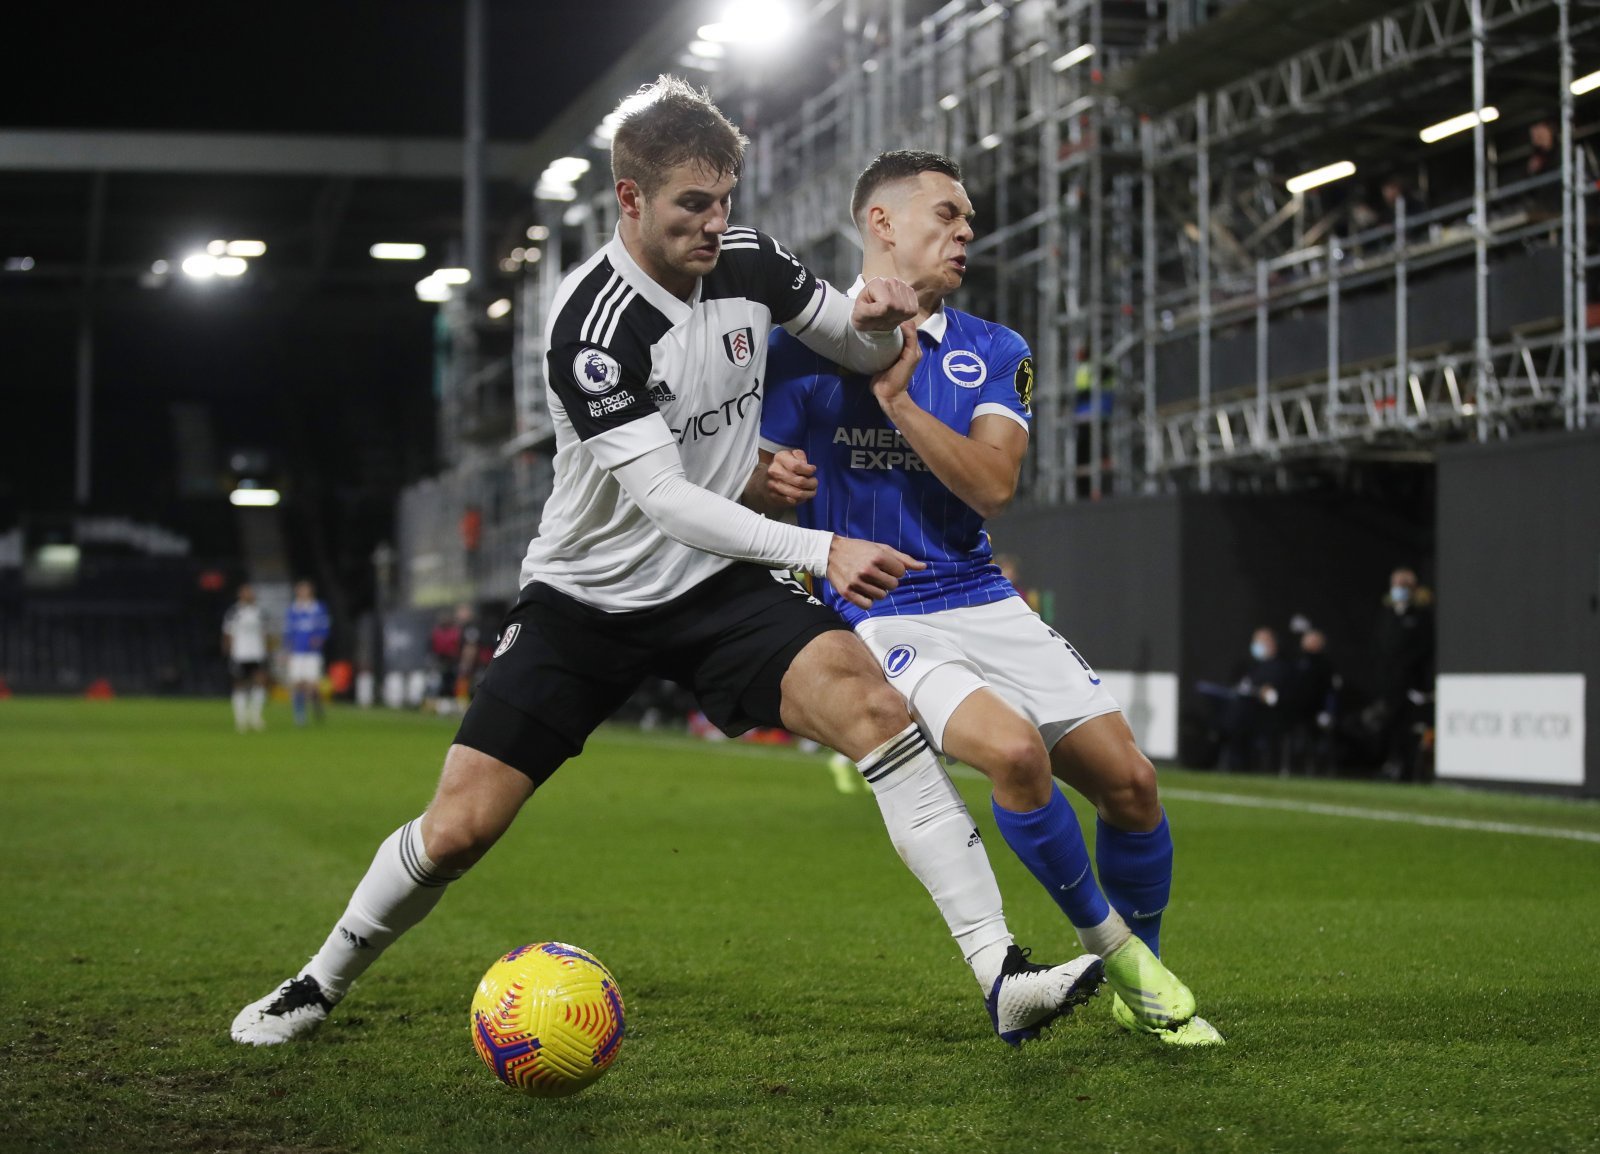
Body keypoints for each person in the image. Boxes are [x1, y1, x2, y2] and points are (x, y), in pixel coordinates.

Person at [231, 78, 1101, 1052]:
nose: (714, 223)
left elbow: (851, 342)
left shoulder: (749, 260)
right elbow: (667, 500)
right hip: (585, 598)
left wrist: (878, 316)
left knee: (874, 709)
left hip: (714, 585)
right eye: (693, 203)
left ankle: (1001, 974)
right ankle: (317, 981)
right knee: (460, 827)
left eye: (725, 198)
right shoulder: (594, 329)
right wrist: (822, 546)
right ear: (630, 198)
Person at [753, 149, 1221, 1045]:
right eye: (947, 213)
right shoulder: (798, 348)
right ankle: (1125, 960)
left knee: (1132, 785)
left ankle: (1137, 978)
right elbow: (752, 482)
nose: (967, 230)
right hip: (885, 612)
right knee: (1012, 754)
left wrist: (898, 404)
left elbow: (994, 487)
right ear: (882, 222)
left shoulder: (995, 349)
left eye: (969, 219)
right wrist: (772, 484)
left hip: (982, 594)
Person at [1374, 567, 1434, 781]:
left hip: (1412, 684)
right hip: (1390, 684)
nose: (1399, 588)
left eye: (1404, 584)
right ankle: (1392, 764)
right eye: (1396, 584)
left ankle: (1410, 770)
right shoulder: (1388, 614)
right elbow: (1382, 648)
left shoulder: (1421, 615)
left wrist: (1420, 684)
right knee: (1390, 725)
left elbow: (1424, 649)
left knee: (1409, 728)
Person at [1217, 626, 1288, 773]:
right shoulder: (1250, 666)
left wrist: (1260, 693)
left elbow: (1272, 697)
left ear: (1272, 643)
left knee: (1237, 716)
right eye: (1256, 641)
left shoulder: (1280, 668)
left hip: (1266, 716)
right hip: (1243, 715)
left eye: (1261, 640)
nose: (1257, 645)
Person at [1282, 627, 1338, 776]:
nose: (1311, 644)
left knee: (1315, 742)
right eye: (1309, 640)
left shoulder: (1325, 665)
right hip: (1296, 711)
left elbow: (1330, 691)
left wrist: (1328, 711)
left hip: (1316, 711)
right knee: (1295, 741)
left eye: (1315, 641)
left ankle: (1316, 769)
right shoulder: (1295, 662)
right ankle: (1291, 768)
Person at [222, 584, 269, 733]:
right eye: (245, 592)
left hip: (257, 653)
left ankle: (255, 717)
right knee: (239, 685)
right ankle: (241, 719)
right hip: (240, 654)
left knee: (260, 683)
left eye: (250, 592)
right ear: (240, 594)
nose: (248, 595)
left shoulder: (260, 612)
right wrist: (228, 652)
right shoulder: (234, 612)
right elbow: (227, 633)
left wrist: (267, 650)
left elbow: (265, 633)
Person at [284, 580, 331, 726]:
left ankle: (317, 705)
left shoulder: (318, 608)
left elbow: (325, 627)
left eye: (305, 590)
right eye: (301, 590)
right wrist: (287, 650)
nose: (303, 592)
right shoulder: (293, 610)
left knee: (313, 685)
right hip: (297, 652)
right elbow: (288, 632)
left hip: (312, 652)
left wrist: (320, 639)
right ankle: (300, 715)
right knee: (297, 684)